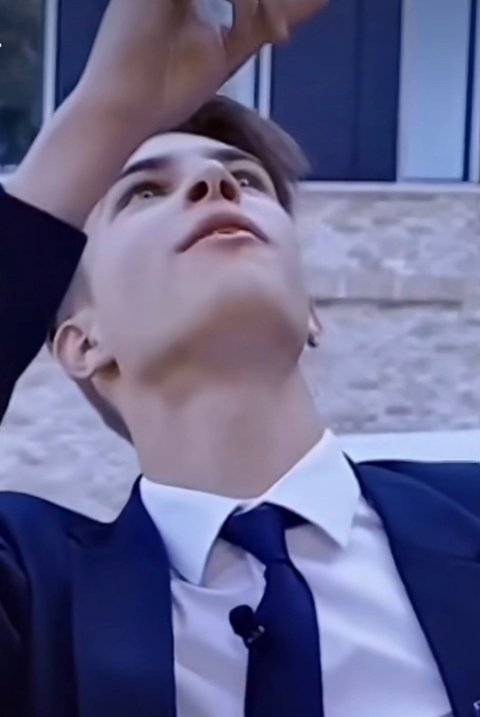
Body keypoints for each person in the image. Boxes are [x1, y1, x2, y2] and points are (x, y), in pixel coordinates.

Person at [0, 1, 478, 716]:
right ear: (82, 342)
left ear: (311, 310)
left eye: (247, 181)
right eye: (144, 193)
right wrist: (105, 113)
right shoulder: (37, 603)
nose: (215, 186)